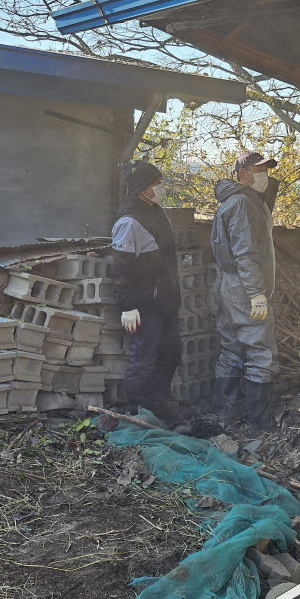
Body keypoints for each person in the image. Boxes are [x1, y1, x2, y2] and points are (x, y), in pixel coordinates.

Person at [211, 151, 279, 429]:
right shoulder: (242, 203)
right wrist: (257, 293)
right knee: (261, 350)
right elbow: (245, 253)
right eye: (258, 170)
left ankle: (225, 415)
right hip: (242, 286)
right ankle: (259, 422)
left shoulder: (240, 200)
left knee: (233, 348)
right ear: (242, 173)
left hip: (230, 284)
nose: (264, 175)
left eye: (265, 169)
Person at [111, 161, 181, 423]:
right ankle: (138, 414)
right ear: (142, 189)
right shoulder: (130, 221)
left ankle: (157, 406)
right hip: (144, 306)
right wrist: (127, 306)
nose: (160, 188)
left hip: (165, 303)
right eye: (156, 184)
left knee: (171, 355)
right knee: (142, 361)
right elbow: (121, 268)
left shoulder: (156, 212)